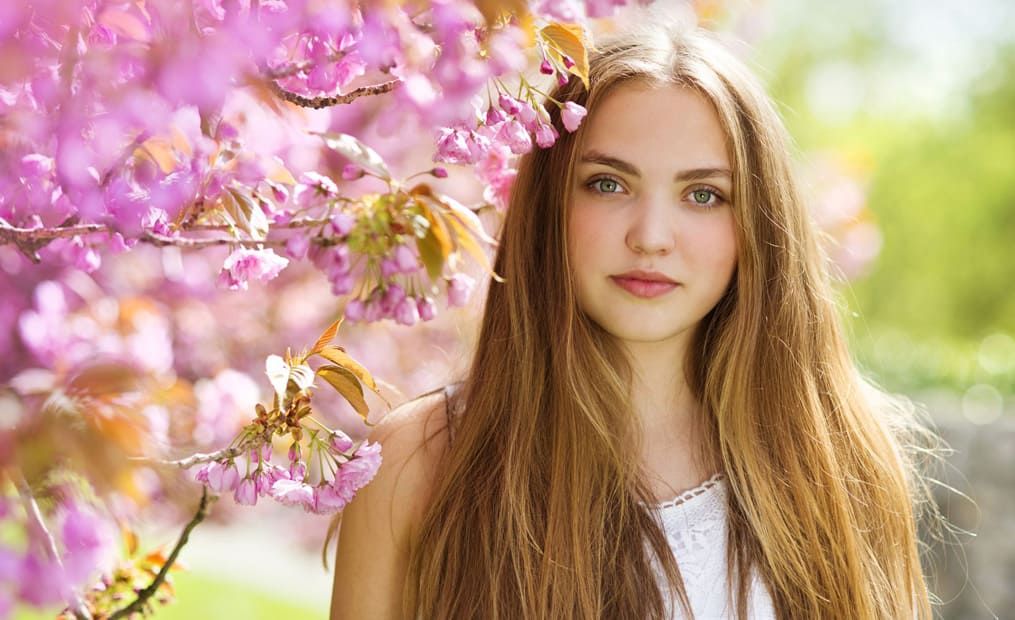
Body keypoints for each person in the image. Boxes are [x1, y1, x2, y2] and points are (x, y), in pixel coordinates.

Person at [329, 16, 939, 620]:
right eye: (607, 184)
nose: (651, 237)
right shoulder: (419, 461)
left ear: (757, 223)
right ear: (551, 203)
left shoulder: (843, 460)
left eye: (703, 195)